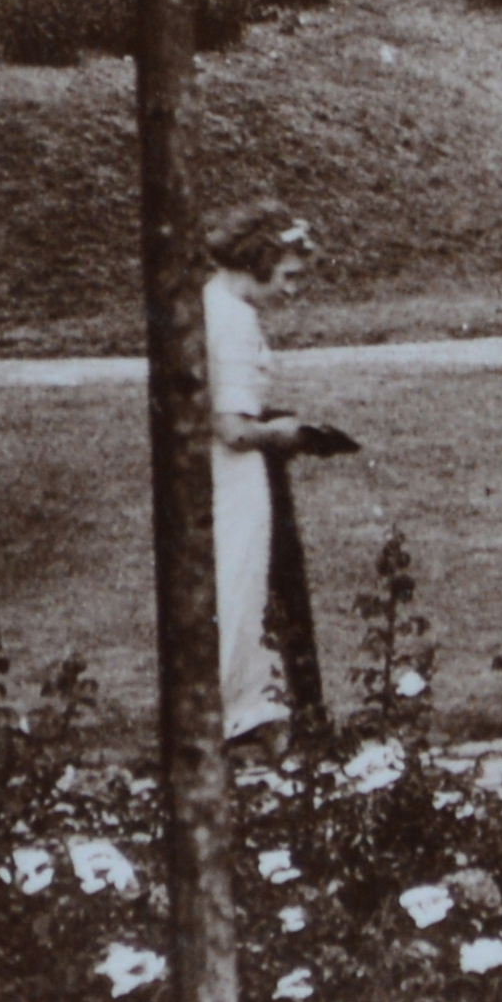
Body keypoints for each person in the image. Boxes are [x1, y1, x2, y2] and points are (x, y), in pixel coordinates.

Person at [202, 205, 323, 740]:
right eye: (289, 276)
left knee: (234, 583)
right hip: (234, 471)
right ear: (261, 260)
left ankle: (237, 707)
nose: (292, 290)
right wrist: (286, 434)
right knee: (241, 583)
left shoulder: (211, 301)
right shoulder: (235, 320)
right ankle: (238, 714)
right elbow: (232, 427)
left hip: (214, 470)